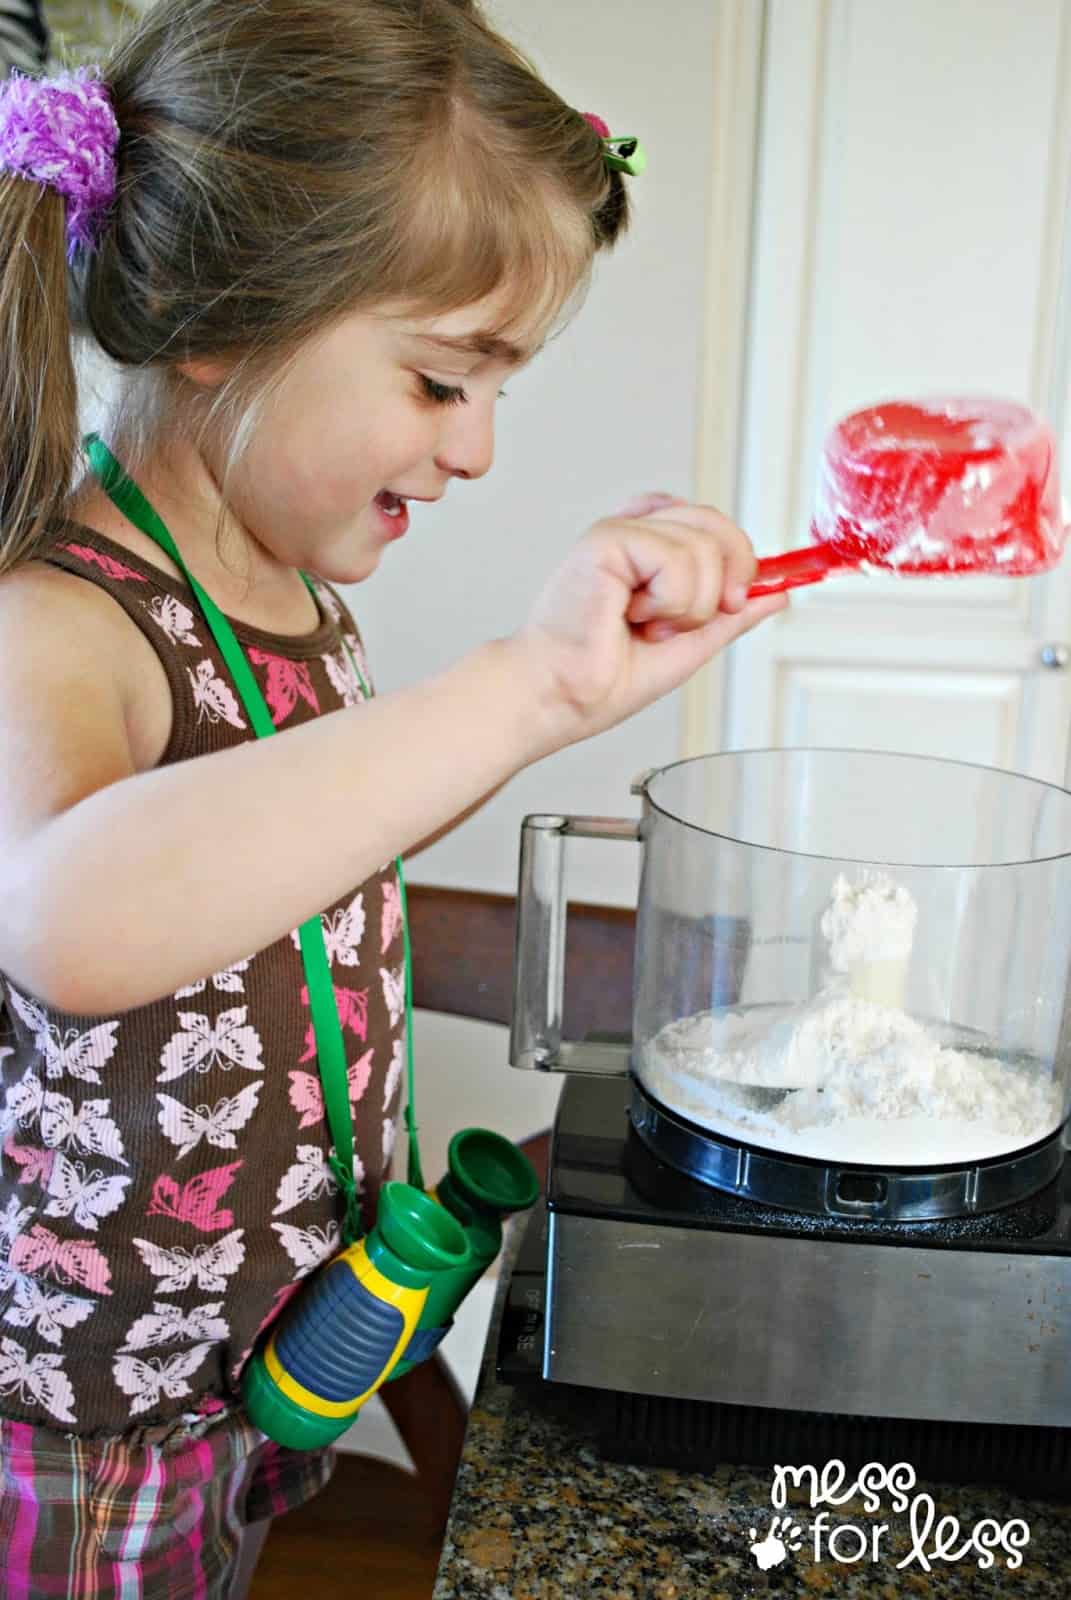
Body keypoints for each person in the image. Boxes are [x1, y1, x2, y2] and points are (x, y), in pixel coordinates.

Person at [0, 1, 786, 1593]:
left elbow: (308, 840)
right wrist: (524, 681)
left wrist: (562, 706)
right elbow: (74, 923)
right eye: (441, 382)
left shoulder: (301, 601)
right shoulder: (58, 620)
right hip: (77, 1419)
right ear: (218, 320)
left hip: (247, 1371)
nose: (481, 447)